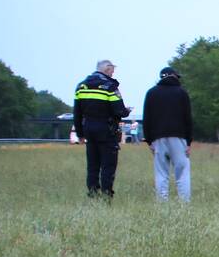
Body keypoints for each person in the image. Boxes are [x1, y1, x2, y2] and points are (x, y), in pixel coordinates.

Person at [73, 59, 131, 198]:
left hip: (89, 130)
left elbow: (77, 112)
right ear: (107, 69)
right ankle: (106, 196)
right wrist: (126, 111)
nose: (113, 73)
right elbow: (118, 110)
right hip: (106, 130)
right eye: (112, 70)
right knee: (108, 165)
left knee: (92, 165)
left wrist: (80, 134)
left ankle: (93, 193)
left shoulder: (81, 86)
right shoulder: (109, 86)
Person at [143, 66, 193, 203]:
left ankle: (162, 203)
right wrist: (189, 142)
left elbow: (146, 118)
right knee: (182, 172)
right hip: (179, 137)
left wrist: (149, 141)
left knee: (161, 173)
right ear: (174, 76)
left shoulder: (151, 93)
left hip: (158, 138)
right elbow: (188, 118)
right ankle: (184, 203)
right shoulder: (182, 93)